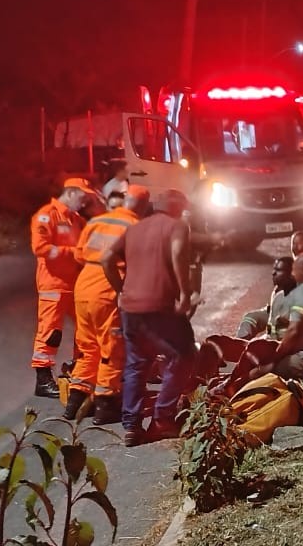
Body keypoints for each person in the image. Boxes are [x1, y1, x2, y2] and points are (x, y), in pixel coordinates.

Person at [101, 189, 199, 446]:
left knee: (137, 362)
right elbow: (178, 254)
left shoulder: (135, 228)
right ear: (178, 208)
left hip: (130, 308)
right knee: (183, 354)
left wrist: (120, 290)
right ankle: (163, 419)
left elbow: (106, 258)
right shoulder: (177, 226)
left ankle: (131, 426)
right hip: (159, 305)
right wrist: (186, 294)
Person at [64, 184, 149, 425]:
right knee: (111, 347)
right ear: (143, 207)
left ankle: (75, 400)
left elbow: (79, 255)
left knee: (87, 344)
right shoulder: (136, 227)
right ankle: (106, 403)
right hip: (108, 287)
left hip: (83, 286)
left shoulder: (96, 221)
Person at [213, 253, 303, 394]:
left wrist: (274, 358)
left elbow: (294, 331)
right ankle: (228, 382)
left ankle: (228, 390)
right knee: (257, 351)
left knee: (259, 371)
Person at [30, 177, 98, 398]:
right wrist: (72, 253)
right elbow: (41, 248)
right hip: (53, 283)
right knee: (50, 332)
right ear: (70, 193)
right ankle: (43, 379)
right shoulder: (46, 215)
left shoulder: (76, 219)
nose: (84, 202)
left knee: (86, 329)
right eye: (83, 197)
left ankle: (81, 370)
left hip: (75, 284)